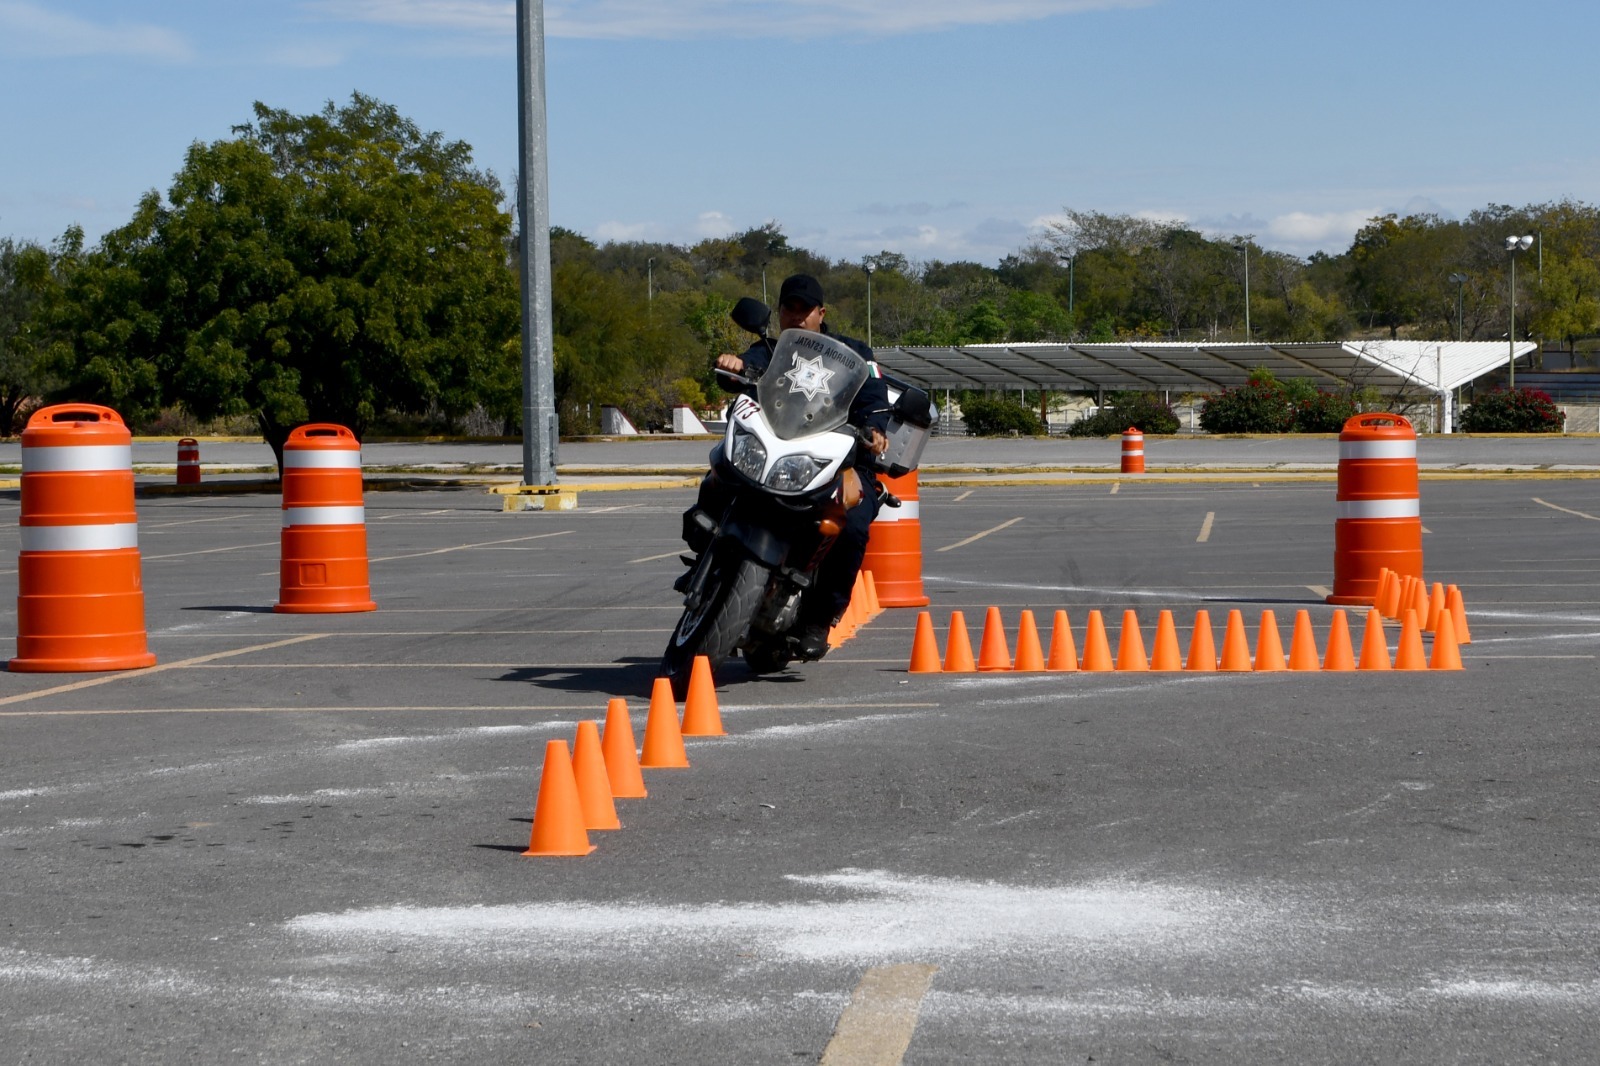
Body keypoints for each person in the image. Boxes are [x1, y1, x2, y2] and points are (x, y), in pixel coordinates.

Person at [688, 273, 890, 661]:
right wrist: (735, 364)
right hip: (779, 450)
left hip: (837, 458)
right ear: (779, 312)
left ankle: (818, 619)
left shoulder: (853, 354)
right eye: (789, 308)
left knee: (851, 524)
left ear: (821, 313)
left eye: (805, 309)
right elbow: (749, 366)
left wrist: (876, 427)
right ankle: (706, 546)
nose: (797, 316)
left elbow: (874, 395)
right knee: (722, 467)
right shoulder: (772, 349)